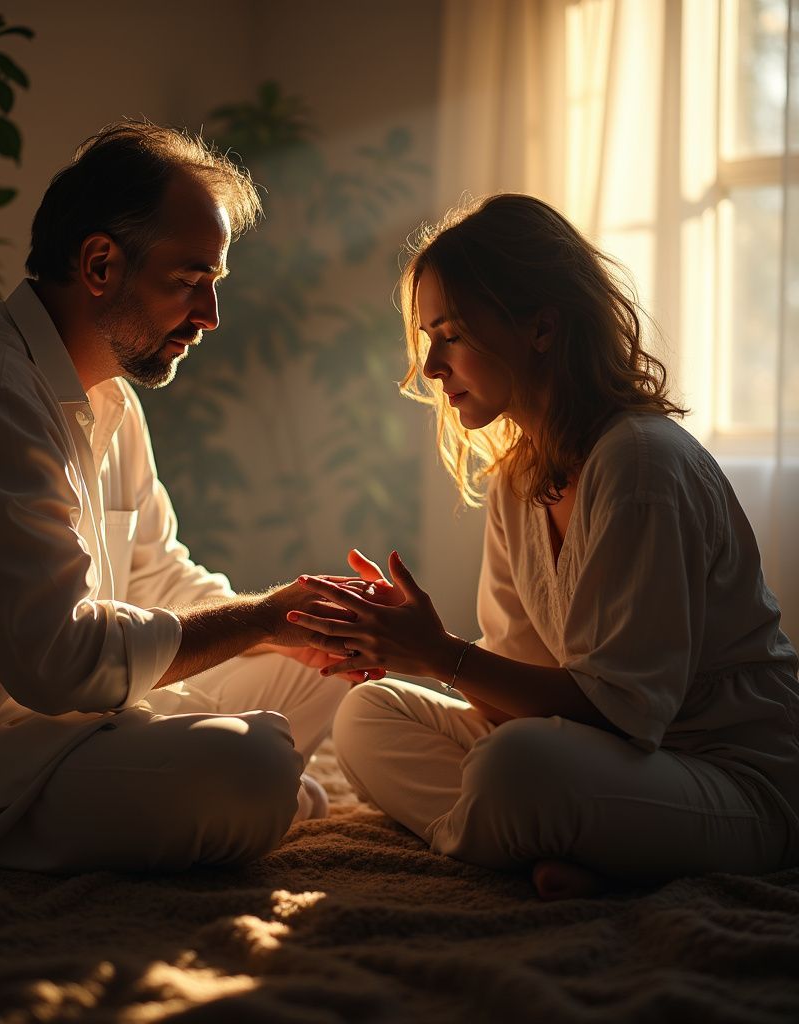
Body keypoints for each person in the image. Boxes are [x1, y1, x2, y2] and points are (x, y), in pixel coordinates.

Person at [0, 121, 353, 873]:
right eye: (188, 281)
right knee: (254, 764)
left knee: (315, 663)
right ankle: (255, 794)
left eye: (214, 284)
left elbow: (159, 578)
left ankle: (234, 787)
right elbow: (61, 663)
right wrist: (259, 621)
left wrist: (294, 618)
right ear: (101, 264)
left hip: (88, 724)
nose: (209, 316)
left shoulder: (109, 397)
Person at [287, 193, 799, 899]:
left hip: (730, 779)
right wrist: (404, 647)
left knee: (520, 767)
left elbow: (618, 716)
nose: (432, 366)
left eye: (451, 333)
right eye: (426, 338)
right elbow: (517, 693)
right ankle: (545, 849)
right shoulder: (517, 478)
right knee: (368, 717)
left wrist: (438, 653)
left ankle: (526, 838)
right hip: (611, 763)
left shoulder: (640, 464)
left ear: (542, 328)